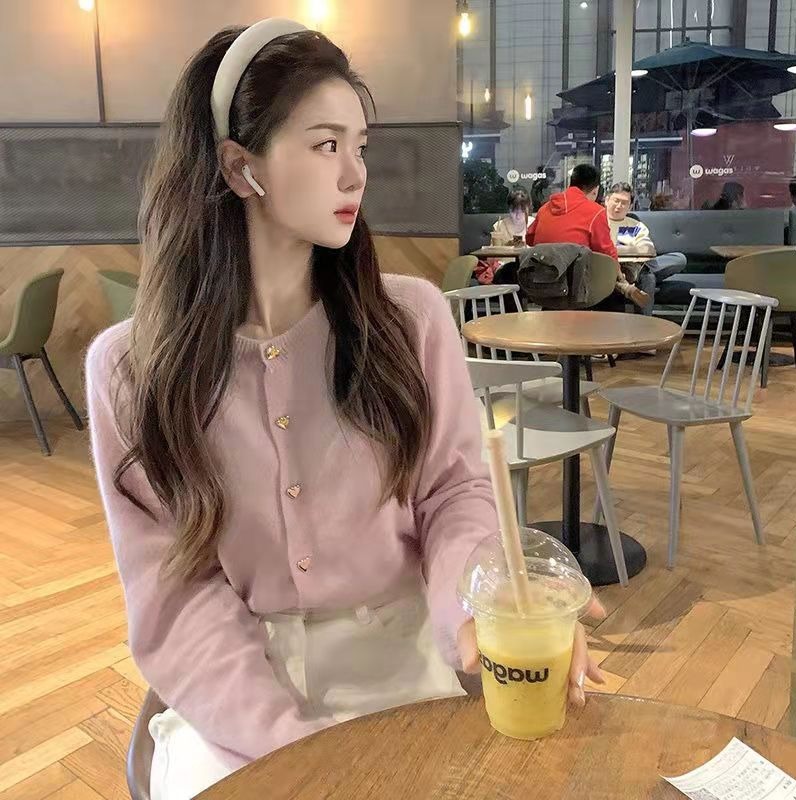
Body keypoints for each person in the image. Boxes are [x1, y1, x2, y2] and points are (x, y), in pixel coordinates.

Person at [84, 19, 602, 800]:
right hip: (236, 696)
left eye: (360, 146)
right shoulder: (131, 372)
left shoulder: (411, 321)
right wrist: (296, 750)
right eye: (326, 145)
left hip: (403, 663)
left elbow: (455, 494)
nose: (356, 173)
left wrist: (477, 607)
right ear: (239, 167)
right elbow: (175, 596)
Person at [526, 163, 648, 308]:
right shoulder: (596, 212)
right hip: (578, 293)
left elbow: (530, 239)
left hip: (544, 286)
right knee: (613, 291)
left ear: (571, 182)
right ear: (595, 190)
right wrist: (620, 277)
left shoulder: (544, 209)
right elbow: (607, 252)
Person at [605, 182, 687, 316]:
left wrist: (633, 254)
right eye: (616, 201)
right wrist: (627, 250)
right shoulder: (599, 221)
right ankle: (645, 322)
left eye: (624, 203)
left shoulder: (634, 224)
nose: (619, 206)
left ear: (630, 206)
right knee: (648, 277)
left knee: (679, 259)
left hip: (637, 266)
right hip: (611, 267)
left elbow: (647, 248)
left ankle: (630, 280)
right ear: (607, 200)